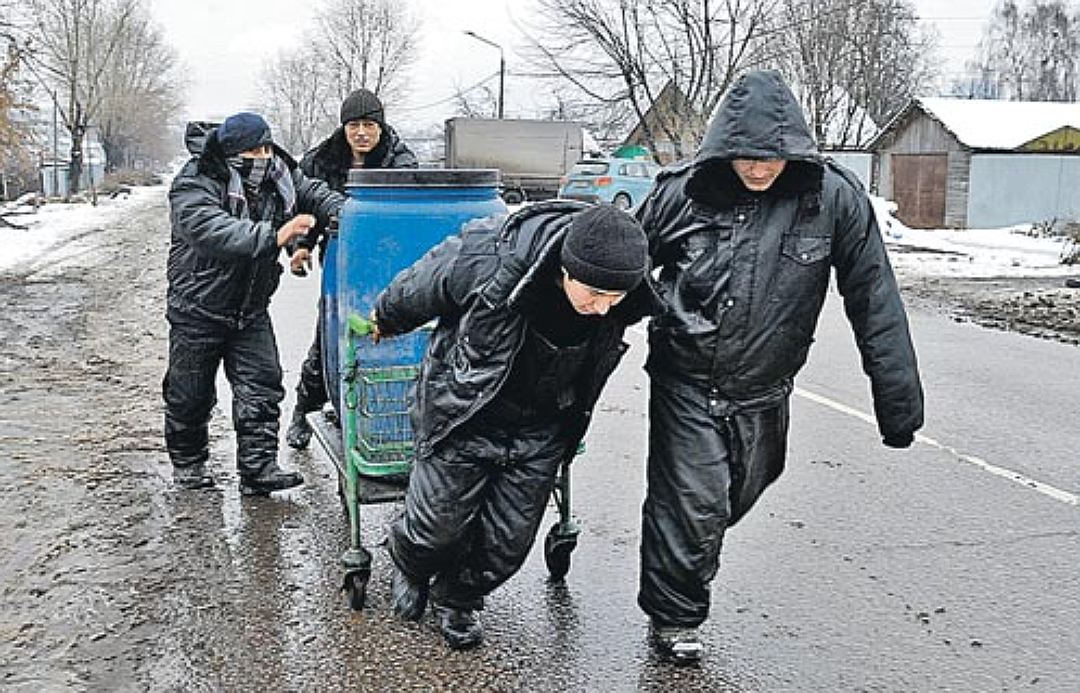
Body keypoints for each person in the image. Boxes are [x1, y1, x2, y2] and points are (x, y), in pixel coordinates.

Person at [634, 70, 925, 663]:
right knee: (691, 502)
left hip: (766, 388)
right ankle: (675, 618)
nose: (759, 168)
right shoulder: (680, 194)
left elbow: (874, 298)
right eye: (745, 156)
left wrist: (898, 406)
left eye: (771, 156)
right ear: (723, 149)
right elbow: (620, 275)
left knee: (737, 493)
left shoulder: (834, 199)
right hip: (687, 379)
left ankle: (687, 561)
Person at [372, 202, 662, 650]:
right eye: (592, 293)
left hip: (542, 428)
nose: (602, 309)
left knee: (505, 547)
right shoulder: (491, 256)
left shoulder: (621, 292)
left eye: (614, 299)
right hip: (465, 413)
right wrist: (386, 317)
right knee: (434, 532)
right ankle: (410, 563)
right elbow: (421, 285)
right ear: (565, 266)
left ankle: (458, 598)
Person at [165, 112, 345, 494]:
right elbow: (211, 230)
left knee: (262, 386)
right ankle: (189, 464)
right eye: (252, 149)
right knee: (190, 393)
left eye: (266, 146)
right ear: (230, 151)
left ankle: (258, 469)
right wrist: (277, 235)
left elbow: (312, 194)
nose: (262, 156)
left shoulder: (278, 172)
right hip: (197, 306)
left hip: (250, 307)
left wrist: (349, 213)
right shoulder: (194, 181)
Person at [285, 88, 418, 450]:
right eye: (354, 125)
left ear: (381, 127)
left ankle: (384, 418)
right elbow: (303, 210)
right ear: (344, 127)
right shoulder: (320, 161)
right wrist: (300, 248)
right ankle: (304, 409)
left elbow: (408, 215)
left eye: (369, 125)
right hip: (339, 256)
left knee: (385, 335)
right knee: (329, 333)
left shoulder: (401, 162)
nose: (362, 133)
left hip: (386, 259)